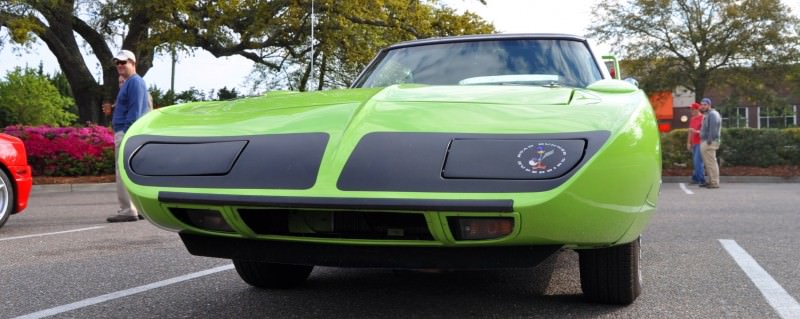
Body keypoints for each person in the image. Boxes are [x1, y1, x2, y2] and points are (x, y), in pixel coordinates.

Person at [107, 50, 150, 222]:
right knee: (130, 172)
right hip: (128, 132)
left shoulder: (135, 82)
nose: (119, 65)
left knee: (122, 172)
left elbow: (135, 110)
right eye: (117, 62)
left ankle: (127, 210)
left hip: (127, 133)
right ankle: (137, 208)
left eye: (123, 62)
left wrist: (125, 132)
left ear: (133, 63)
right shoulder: (130, 83)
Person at [699, 97, 721, 189]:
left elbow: (714, 129)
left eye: (705, 104)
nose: (703, 106)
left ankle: (714, 182)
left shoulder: (712, 114)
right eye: (702, 104)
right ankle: (711, 181)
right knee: (708, 163)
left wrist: (709, 140)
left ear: (709, 105)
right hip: (707, 141)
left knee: (711, 162)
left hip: (709, 142)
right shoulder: (708, 114)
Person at [686, 102, 705, 185]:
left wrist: (696, 132)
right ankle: (696, 178)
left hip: (700, 142)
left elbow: (705, 131)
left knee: (698, 161)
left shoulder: (703, 118)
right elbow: (690, 132)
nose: (691, 111)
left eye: (693, 109)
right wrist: (688, 143)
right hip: (694, 143)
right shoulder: (692, 119)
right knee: (696, 161)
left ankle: (701, 179)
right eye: (691, 109)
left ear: (697, 109)